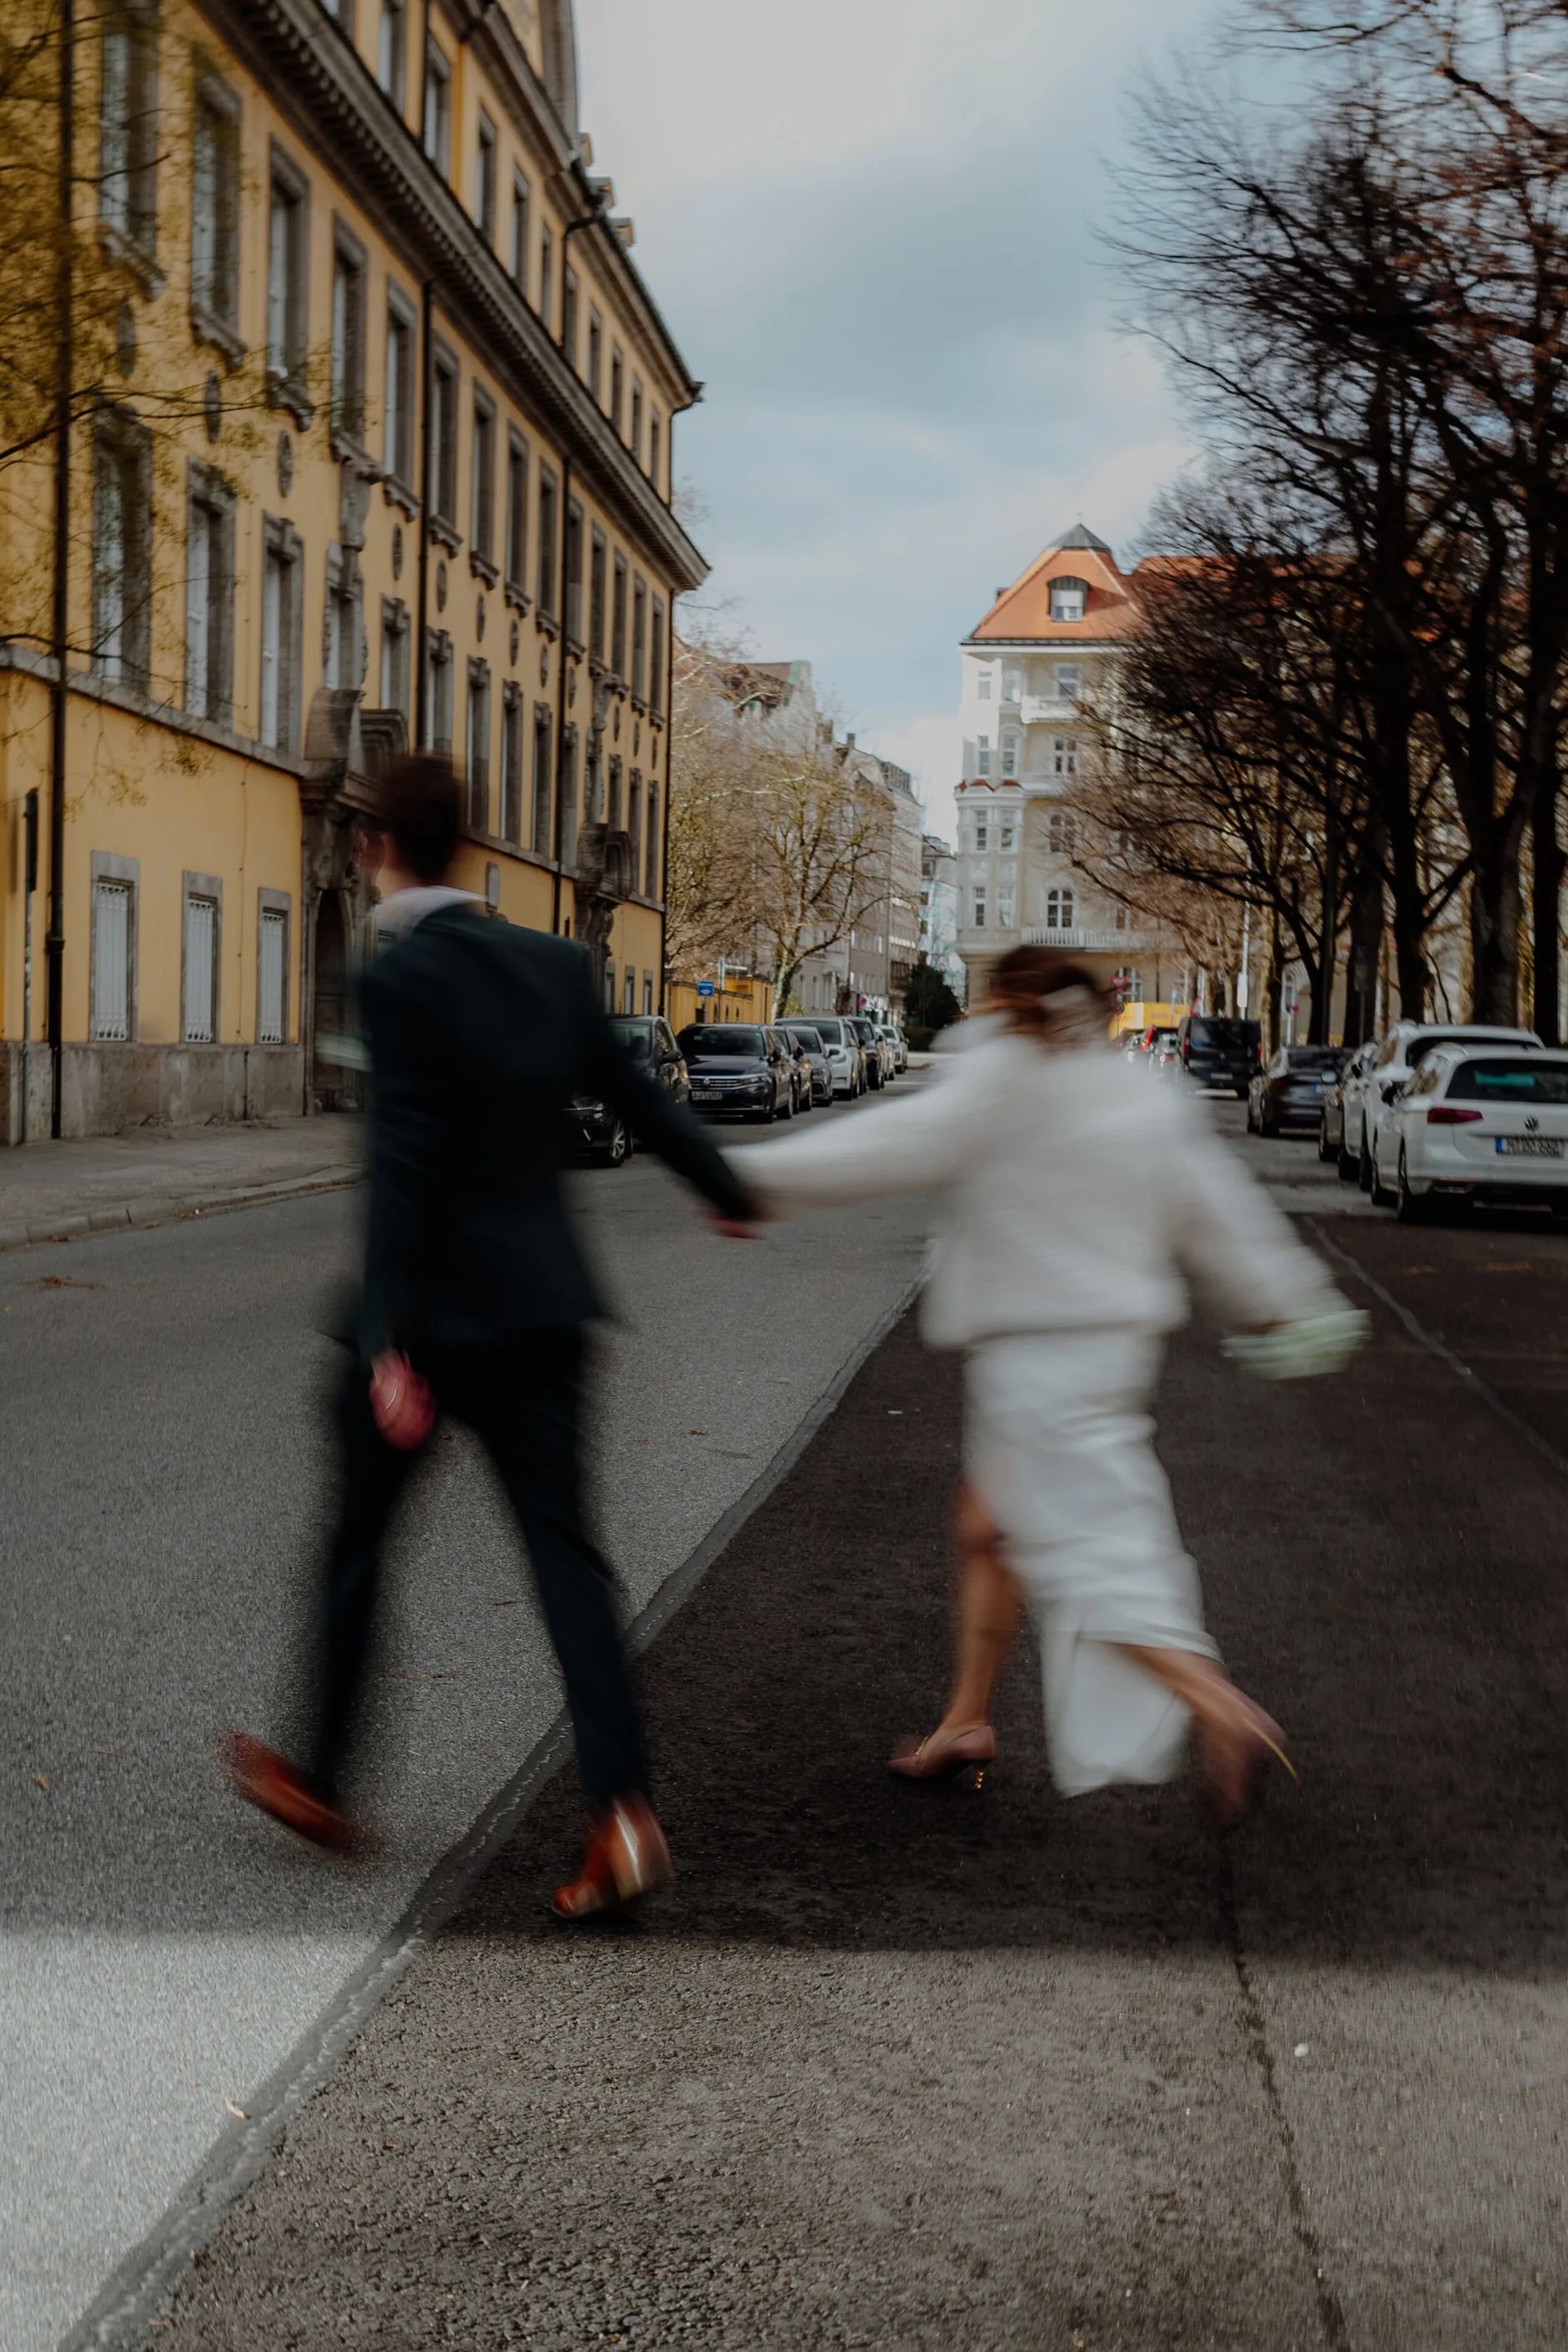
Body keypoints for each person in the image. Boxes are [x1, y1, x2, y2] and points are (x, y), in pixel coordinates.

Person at [228, 754, 756, 1917]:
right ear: (468, 846)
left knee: (359, 1543)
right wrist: (724, 1186)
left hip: (430, 1323)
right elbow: (640, 1097)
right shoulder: (555, 966)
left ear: (374, 848)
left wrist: (385, 1338)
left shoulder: (398, 979)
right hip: (544, 1313)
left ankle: (323, 1781)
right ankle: (622, 1813)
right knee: (567, 1560)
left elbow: (401, 1163)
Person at [736, 948, 1363, 1827]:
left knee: (1076, 1553)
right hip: (1114, 1350)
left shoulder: (1003, 1083)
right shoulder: (1142, 1094)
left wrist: (749, 1185)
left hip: (1032, 1357)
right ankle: (965, 1720)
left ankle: (1221, 1709)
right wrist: (1285, 1303)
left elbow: (879, 1148)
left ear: (1006, 1004)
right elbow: (1218, 1211)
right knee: (987, 1526)